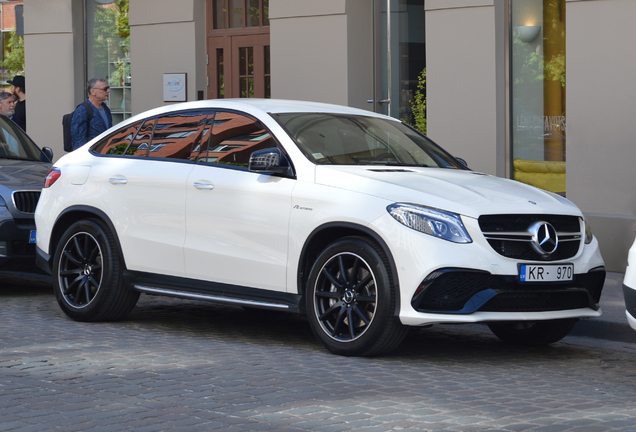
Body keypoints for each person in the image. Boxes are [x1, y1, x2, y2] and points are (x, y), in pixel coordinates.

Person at [70, 77, 112, 151]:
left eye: (108, 88)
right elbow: (78, 141)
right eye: (105, 89)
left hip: (105, 155)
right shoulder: (82, 110)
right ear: (93, 91)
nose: (108, 91)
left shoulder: (106, 109)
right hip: (92, 157)